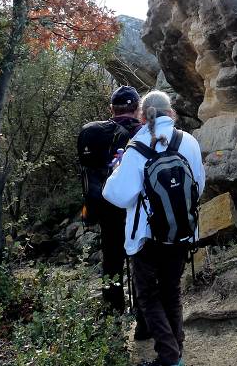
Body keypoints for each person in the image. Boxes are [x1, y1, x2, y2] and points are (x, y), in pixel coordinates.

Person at [103, 90, 204, 366]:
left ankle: (169, 355)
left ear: (142, 115)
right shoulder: (189, 141)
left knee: (148, 295)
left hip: (146, 236)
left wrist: (117, 168)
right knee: (171, 291)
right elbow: (198, 186)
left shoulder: (136, 147)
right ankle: (175, 351)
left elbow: (117, 195)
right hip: (181, 231)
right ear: (170, 112)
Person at [77, 85, 149, 339]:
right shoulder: (142, 133)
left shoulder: (92, 133)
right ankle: (144, 323)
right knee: (141, 261)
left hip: (106, 207)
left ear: (111, 109)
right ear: (137, 109)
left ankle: (113, 320)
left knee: (112, 261)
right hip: (136, 208)